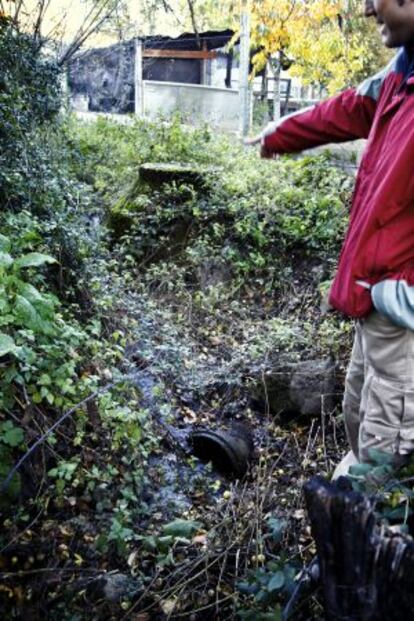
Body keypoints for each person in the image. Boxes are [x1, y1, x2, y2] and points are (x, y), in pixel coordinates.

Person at [248, 0, 414, 477]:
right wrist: (280, 133)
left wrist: (400, 293)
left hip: (400, 316)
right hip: (376, 306)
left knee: (386, 463)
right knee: (358, 416)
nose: (365, 9)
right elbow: (342, 110)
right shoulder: (398, 76)